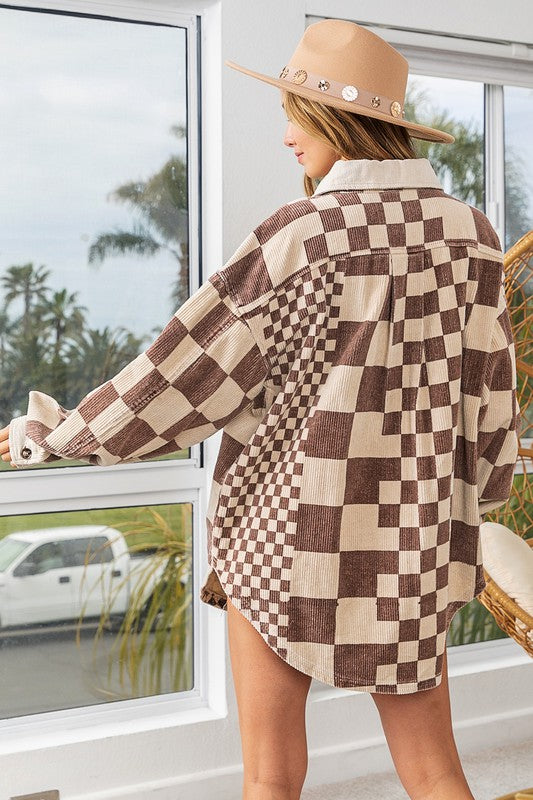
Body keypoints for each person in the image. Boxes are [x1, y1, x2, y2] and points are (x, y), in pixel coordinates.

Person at [0, 18, 521, 800]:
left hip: (289, 537)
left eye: (294, 116)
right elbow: (491, 391)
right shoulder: (471, 237)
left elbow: (181, 375)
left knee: (270, 778)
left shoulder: (300, 236)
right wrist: (476, 499)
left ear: (336, 118)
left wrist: (51, 437)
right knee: (436, 771)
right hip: (413, 540)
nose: (285, 137)